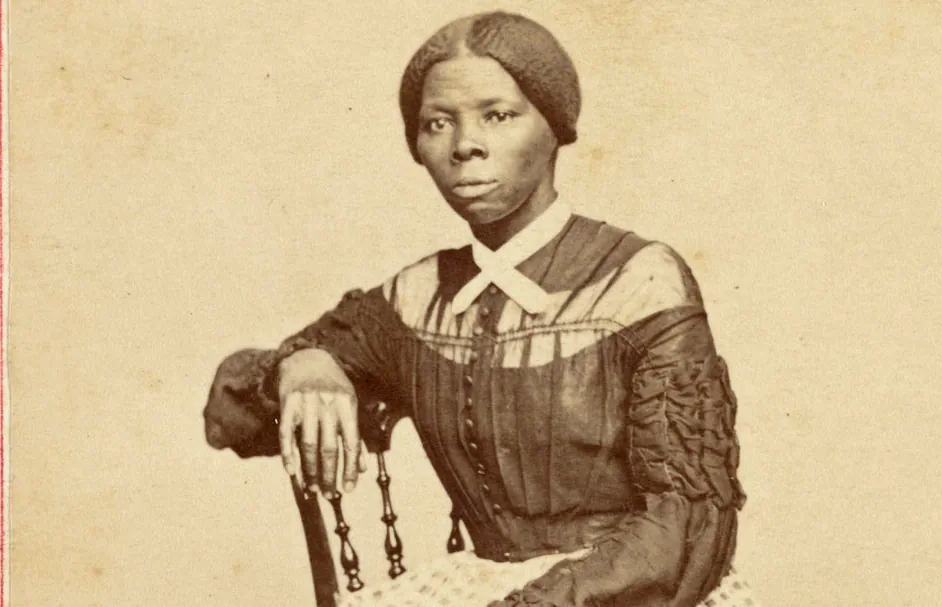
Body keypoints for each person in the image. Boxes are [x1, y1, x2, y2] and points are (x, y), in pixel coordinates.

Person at [203, 10, 755, 607]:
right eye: (437, 123)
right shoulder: (410, 300)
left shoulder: (639, 279)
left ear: (555, 127)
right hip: (477, 584)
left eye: (499, 115)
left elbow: (688, 527)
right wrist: (303, 365)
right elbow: (231, 420)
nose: (465, 146)